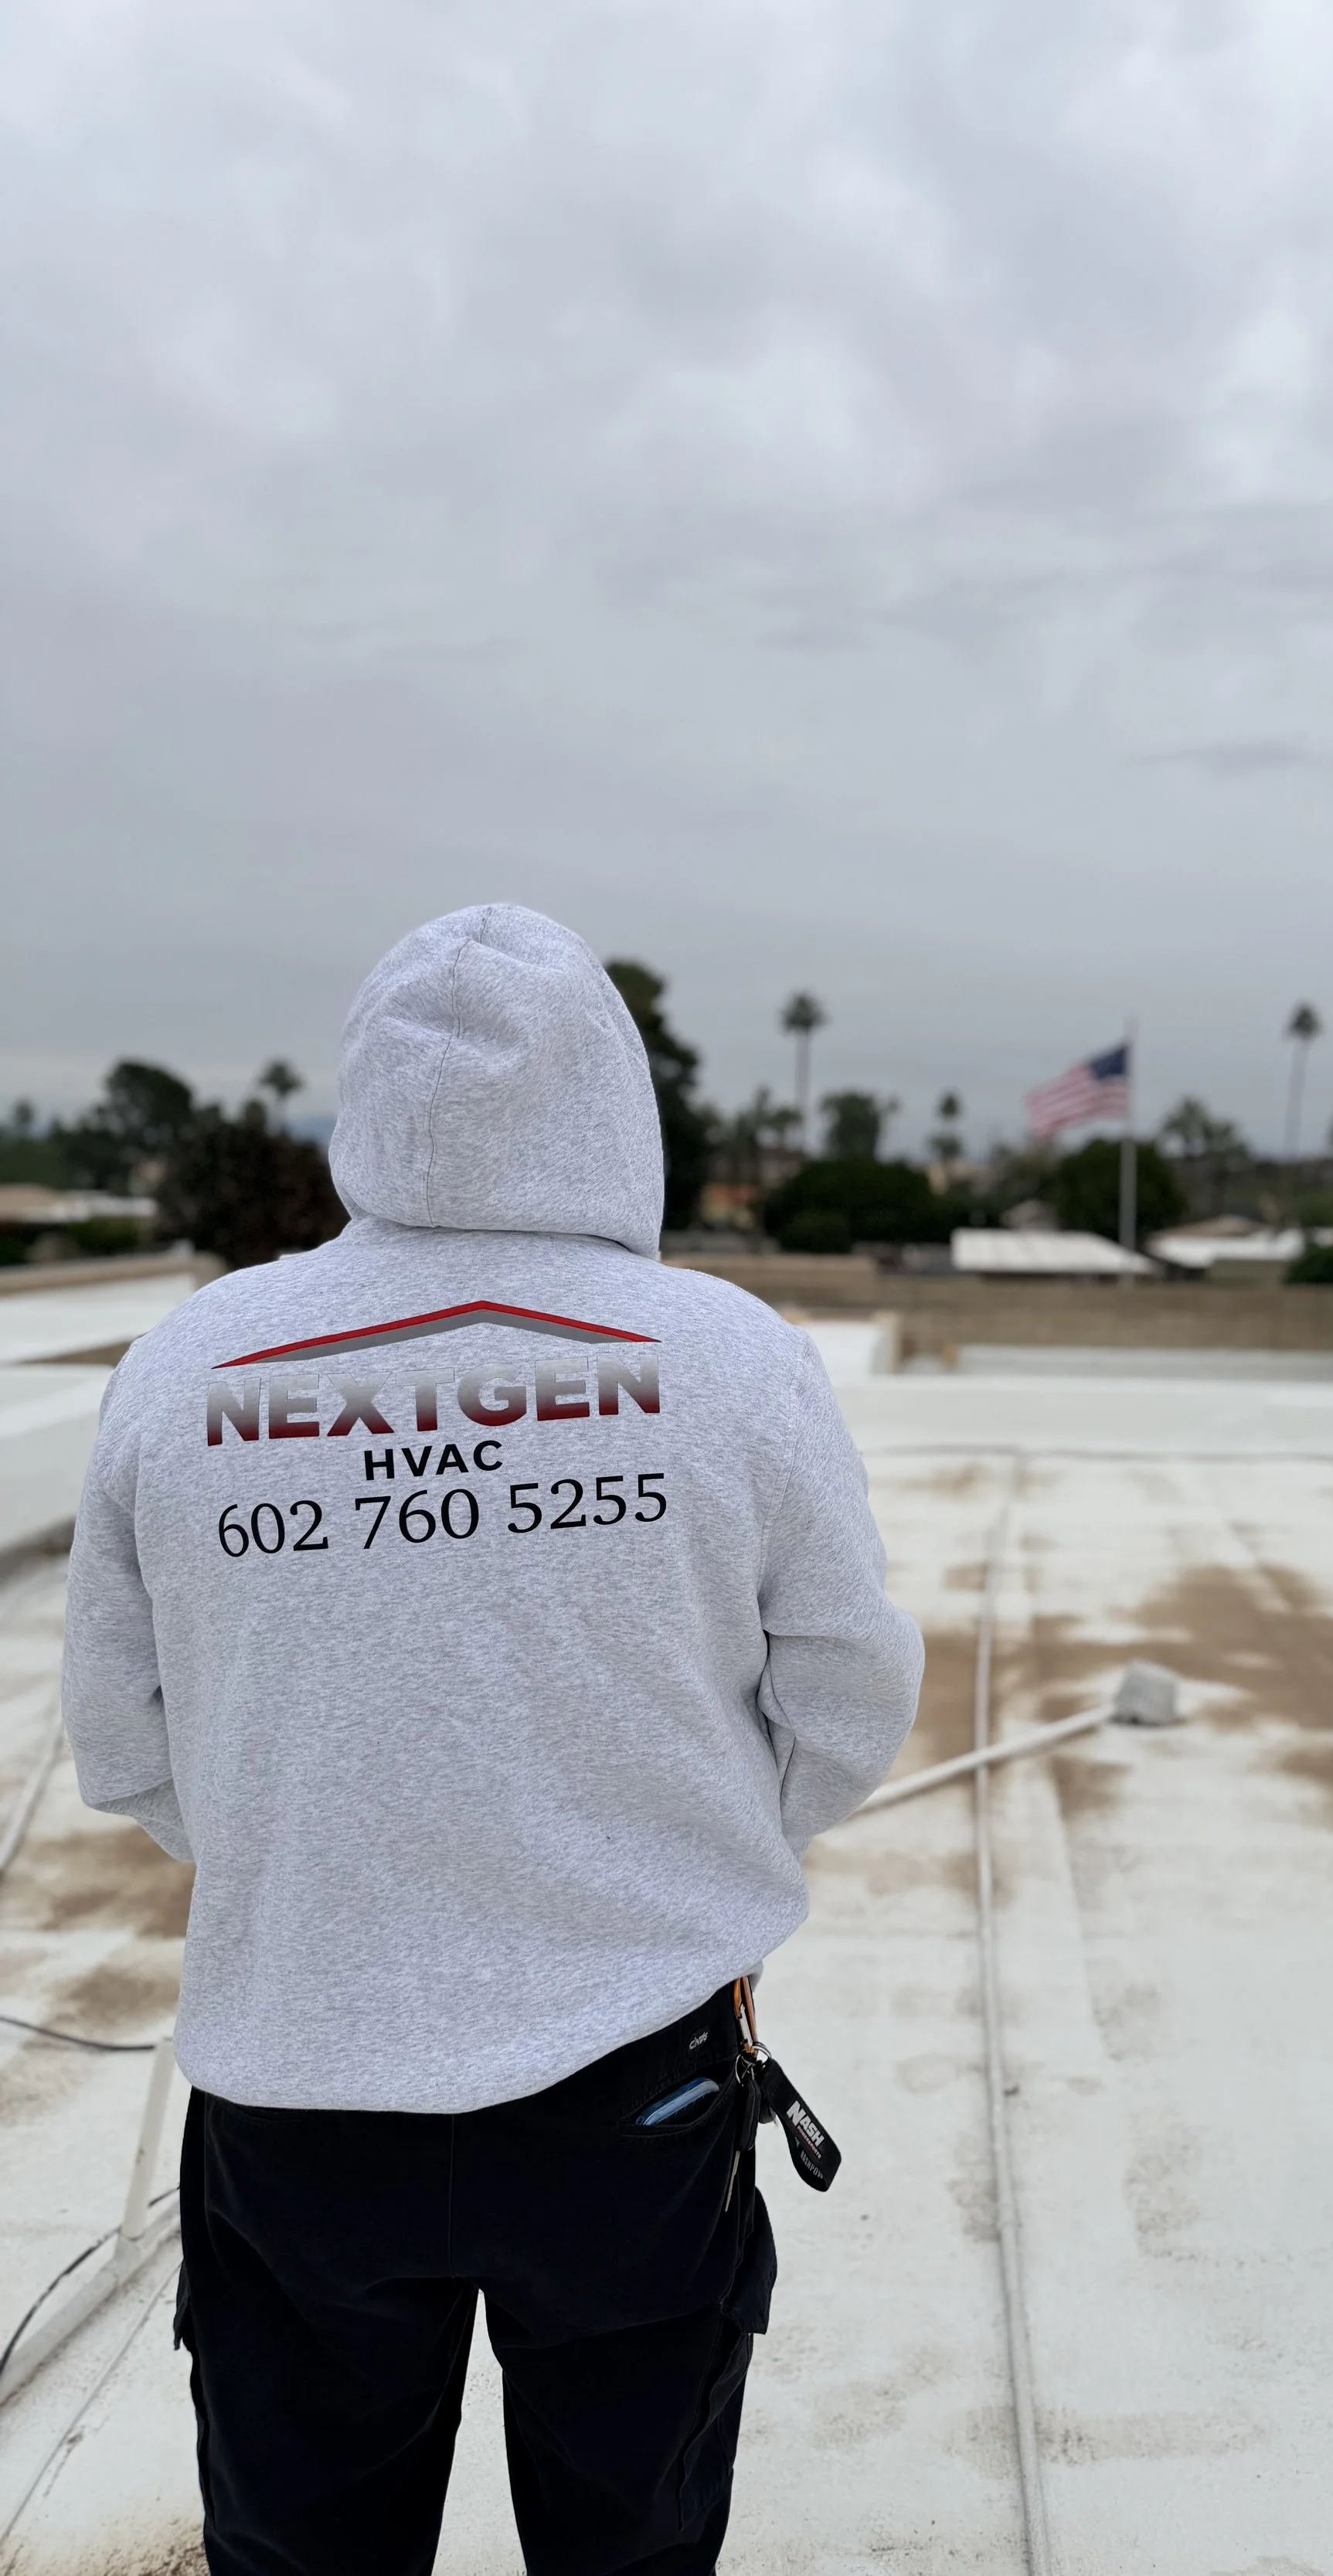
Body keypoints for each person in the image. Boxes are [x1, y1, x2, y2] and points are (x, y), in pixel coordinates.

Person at [60, 904, 924, 2575]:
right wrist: (681, 1848)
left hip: (297, 2089)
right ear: (613, 1102)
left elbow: (125, 1741)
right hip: (638, 2097)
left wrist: (321, 1846)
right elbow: (844, 1699)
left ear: (367, 1102)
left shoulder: (188, 1370)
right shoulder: (730, 1364)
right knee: (631, 2544)